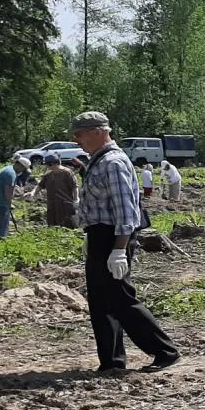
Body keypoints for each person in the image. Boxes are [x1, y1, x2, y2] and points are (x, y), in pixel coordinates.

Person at [69, 111, 181, 373]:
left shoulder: (114, 162)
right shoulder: (98, 161)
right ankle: (112, 361)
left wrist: (119, 249)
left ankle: (165, 351)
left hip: (113, 237)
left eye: (80, 134)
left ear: (99, 132)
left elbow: (126, 211)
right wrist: (91, 236)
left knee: (120, 298)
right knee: (100, 300)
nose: (77, 140)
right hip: (100, 235)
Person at [0, 156, 29, 238]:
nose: (22, 171)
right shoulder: (11, 174)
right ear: (20, 165)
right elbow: (7, 191)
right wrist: (9, 203)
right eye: (23, 169)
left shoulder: (7, 169)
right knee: (3, 223)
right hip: (0, 202)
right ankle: (1, 239)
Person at [34, 154, 79, 228]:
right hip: (52, 203)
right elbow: (40, 185)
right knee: (52, 223)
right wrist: (33, 193)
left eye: (50, 165)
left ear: (56, 163)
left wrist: (76, 199)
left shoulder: (67, 173)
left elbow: (74, 187)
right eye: (48, 165)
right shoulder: (48, 175)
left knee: (66, 223)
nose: (49, 167)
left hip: (65, 204)